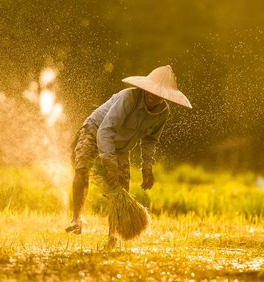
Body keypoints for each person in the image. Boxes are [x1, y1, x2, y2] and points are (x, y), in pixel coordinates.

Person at [65, 65, 192, 246]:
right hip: (95, 131)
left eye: (159, 93)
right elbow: (105, 130)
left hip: (121, 148)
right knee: (82, 169)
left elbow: (150, 141)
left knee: (122, 188)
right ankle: (76, 219)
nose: (153, 95)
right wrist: (109, 163)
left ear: (166, 96)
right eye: (151, 90)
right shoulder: (128, 98)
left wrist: (147, 167)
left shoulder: (162, 113)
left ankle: (113, 236)